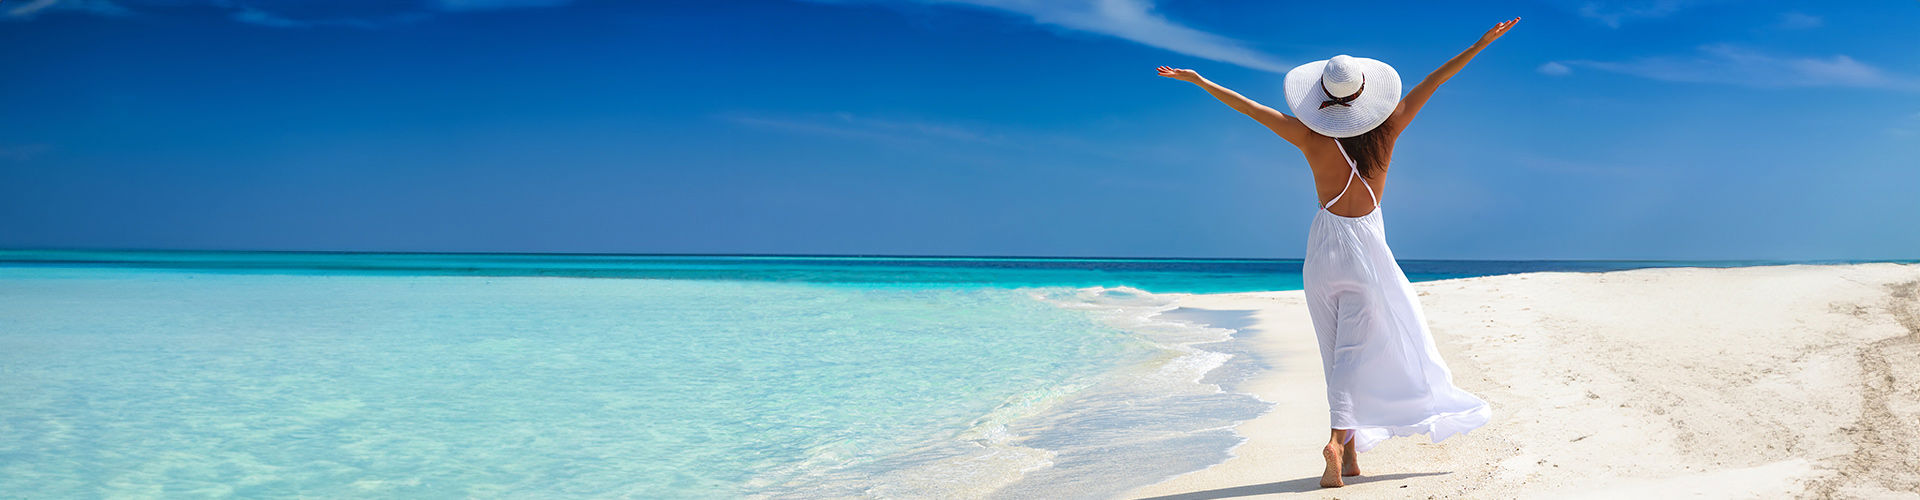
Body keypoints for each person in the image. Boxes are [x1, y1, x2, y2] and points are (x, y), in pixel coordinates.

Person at [1157, 17, 1519, 488]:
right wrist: (1482, 42)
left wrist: (1200, 81)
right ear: (1368, 94)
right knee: (1355, 350)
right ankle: (1336, 440)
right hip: (1365, 250)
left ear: (1324, 98)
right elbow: (1436, 79)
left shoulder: (1309, 138)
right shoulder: (1388, 131)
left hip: (1323, 250)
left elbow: (1249, 108)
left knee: (1334, 353)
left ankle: (1349, 457)